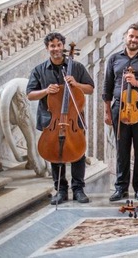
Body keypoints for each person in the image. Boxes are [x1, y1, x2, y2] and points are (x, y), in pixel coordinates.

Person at [26, 32, 94, 205]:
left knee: (78, 153)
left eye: (58, 45)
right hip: (51, 121)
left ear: (63, 47)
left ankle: (78, 189)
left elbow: (90, 88)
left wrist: (76, 84)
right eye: (52, 46)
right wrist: (46, 91)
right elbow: (30, 95)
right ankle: (60, 189)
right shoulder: (39, 70)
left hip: (73, 121)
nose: (56, 49)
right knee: (54, 154)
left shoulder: (76, 68)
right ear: (47, 48)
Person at [103, 24, 138, 202]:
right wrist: (107, 112)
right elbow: (107, 87)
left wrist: (136, 83)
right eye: (131, 36)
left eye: (137, 37)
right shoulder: (114, 59)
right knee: (121, 149)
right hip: (118, 107)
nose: (133, 39)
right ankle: (121, 188)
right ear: (125, 37)